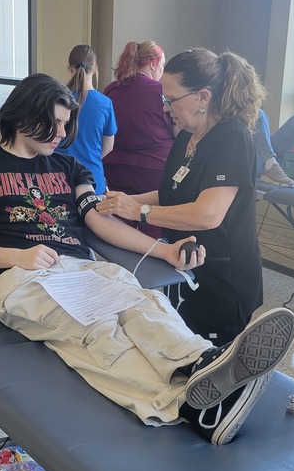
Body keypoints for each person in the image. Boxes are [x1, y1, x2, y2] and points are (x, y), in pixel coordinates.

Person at [0, 72, 294, 446]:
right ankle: (187, 406)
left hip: (82, 269)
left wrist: (163, 250)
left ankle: (202, 364)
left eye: (66, 124)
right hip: (20, 277)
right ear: (22, 115)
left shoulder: (69, 168)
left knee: (143, 304)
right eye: (55, 122)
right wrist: (20, 255)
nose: (62, 134)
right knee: (96, 331)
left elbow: (98, 221)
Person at [99, 48, 265, 345]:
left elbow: (207, 214)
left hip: (224, 278)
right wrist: (126, 201)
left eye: (170, 100)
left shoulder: (232, 138)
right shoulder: (187, 137)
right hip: (186, 267)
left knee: (215, 364)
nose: (165, 108)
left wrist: (139, 211)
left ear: (203, 97)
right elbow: (171, 193)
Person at [103, 40, 174, 238]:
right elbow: (176, 131)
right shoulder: (160, 92)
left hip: (114, 169)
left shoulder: (111, 90)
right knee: (153, 225)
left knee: (119, 224)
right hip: (153, 173)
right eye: (162, 66)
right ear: (153, 63)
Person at [58, 44, 116, 195]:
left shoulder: (56, 99)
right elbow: (108, 147)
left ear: (69, 68)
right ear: (95, 68)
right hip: (92, 180)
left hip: (58, 178)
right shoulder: (104, 103)